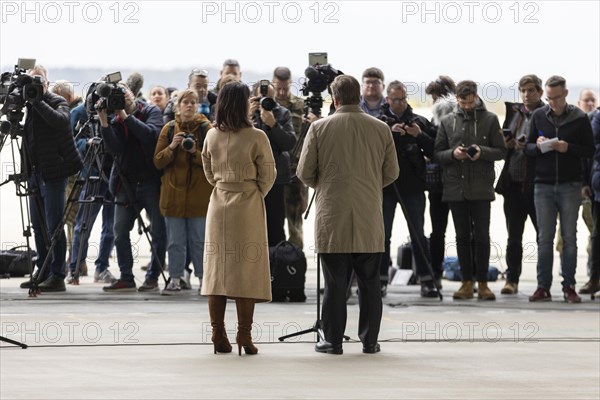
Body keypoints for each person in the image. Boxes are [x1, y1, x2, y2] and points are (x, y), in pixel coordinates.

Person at [297, 75, 399, 355]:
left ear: (335, 98)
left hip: (333, 215)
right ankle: (370, 341)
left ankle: (333, 340)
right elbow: (392, 173)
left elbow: (304, 173)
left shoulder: (319, 128)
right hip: (368, 215)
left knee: (334, 283)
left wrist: (328, 183)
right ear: (359, 97)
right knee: (369, 284)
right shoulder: (380, 128)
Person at [201, 81, 276, 355]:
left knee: (217, 270)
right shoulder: (256, 136)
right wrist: (254, 192)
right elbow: (269, 174)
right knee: (247, 269)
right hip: (248, 204)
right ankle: (244, 334)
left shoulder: (211, 135)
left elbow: (207, 170)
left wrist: (223, 185)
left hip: (219, 202)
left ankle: (217, 332)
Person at [434, 80, 506, 301]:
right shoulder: (446, 121)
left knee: (482, 237)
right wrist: (453, 154)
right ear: (457, 98)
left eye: (470, 100)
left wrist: (481, 152)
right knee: (462, 236)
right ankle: (466, 282)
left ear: (476, 96)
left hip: (481, 188)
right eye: (463, 101)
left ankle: (483, 283)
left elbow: (501, 151)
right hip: (456, 188)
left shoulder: (490, 119)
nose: (466, 105)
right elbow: (437, 153)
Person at [525, 76, 594, 303]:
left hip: (570, 185)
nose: (552, 102)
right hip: (543, 184)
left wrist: (568, 148)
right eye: (549, 98)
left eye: (556, 97)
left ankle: (569, 286)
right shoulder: (537, 116)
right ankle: (542, 286)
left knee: (569, 238)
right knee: (544, 239)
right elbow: (527, 148)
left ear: (565, 94)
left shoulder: (579, 118)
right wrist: (539, 145)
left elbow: (589, 151)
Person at [19, 65, 83, 292]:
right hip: (35, 173)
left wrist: (38, 101)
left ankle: (57, 275)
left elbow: (60, 121)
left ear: (46, 82)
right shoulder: (28, 105)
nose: (35, 84)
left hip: (54, 174)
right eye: (31, 80)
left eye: (39, 80)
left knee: (54, 225)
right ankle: (43, 269)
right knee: (37, 226)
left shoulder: (57, 101)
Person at [99, 83, 166, 292]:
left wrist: (126, 116)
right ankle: (126, 276)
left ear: (133, 94)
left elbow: (149, 136)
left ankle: (153, 277)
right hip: (125, 183)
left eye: (124, 92)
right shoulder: (116, 120)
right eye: (117, 95)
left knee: (158, 231)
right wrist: (104, 122)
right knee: (119, 230)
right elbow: (115, 148)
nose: (123, 97)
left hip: (150, 182)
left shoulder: (151, 111)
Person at [377, 80, 437, 298]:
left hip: (413, 186)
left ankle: (427, 281)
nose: (400, 103)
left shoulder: (417, 122)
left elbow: (434, 149)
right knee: (382, 236)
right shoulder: (377, 123)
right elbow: (368, 150)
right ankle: (380, 280)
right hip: (386, 187)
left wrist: (418, 135)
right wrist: (388, 132)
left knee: (418, 235)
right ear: (387, 100)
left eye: (403, 99)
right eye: (396, 100)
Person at [154, 89, 212, 295]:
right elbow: (158, 161)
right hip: (173, 196)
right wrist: (172, 147)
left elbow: (213, 162)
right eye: (185, 102)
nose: (189, 106)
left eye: (193, 102)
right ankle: (175, 278)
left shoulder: (207, 129)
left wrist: (193, 152)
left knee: (199, 241)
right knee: (175, 241)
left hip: (199, 197)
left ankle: (203, 279)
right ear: (178, 106)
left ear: (198, 106)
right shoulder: (169, 128)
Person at [495, 74, 544, 294]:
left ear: (540, 92)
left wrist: (531, 146)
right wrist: (506, 144)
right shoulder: (513, 113)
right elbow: (501, 148)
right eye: (523, 90)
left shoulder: (546, 114)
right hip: (513, 183)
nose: (526, 94)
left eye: (531, 90)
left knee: (543, 237)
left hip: (538, 184)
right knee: (513, 236)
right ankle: (511, 280)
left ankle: (544, 283)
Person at [250, 81, 296, 247]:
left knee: (276, 226)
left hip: (276, 177)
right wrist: (247, 117)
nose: (264, 101)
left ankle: (277, 264)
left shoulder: (282, 113)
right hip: (250, 178)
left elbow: (289, 143)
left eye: (268, 97)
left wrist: (273, 125)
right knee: (251, 226)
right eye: (260, 97)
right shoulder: (246, 114)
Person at [424, 76, 456, 287]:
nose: (434, 102)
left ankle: (436, 273)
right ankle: (467, 275)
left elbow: (435, 150)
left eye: (435, 97)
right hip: (443, 183)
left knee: (439, 231)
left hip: (446, 182)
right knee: (445, 232)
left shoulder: (446, 118)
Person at [272, 66, 308, 249]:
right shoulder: (266, 106)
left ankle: (295, 259)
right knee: (274, 220)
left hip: (296, 172)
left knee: (295, 221)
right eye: (278, 87)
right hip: (273, 172)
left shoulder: (301, 106)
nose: (281, 92)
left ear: (290, 84)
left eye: (285, 88)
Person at [581, 110, 600, 295]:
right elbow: (592, 148)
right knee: (597, 235)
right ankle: (595, 279)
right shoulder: (598, 117)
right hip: (598, 185)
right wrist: (585, 181)